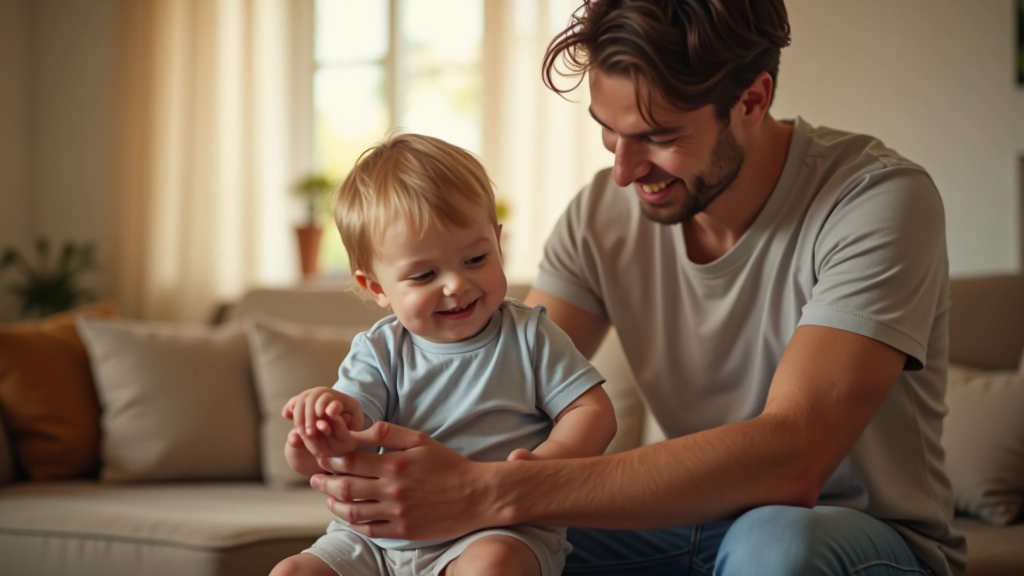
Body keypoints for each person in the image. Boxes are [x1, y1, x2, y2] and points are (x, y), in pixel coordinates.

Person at [307, 1, 968, 575]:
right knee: (467, 547)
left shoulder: (874, 200)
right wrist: (389, 470)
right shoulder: (602, 212)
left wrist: (486, 492)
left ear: (753, 99)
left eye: (657, 137)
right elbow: (508, 378)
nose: (623, 171)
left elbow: (794, 459)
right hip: (685, 522)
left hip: (846, 532)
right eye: (609, 130)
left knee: (773, 543)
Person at [269, 133, 617, 576]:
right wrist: (318, 433)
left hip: (494, 528)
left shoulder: (530, 335)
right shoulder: (378, 351)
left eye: (475, 258)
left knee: (494, 566)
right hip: (374, 538)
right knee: (291, 572)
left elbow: (594, 410)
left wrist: (540, 470)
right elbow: (324, 454)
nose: (456, 284)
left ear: (497, 239)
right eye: (425, 274)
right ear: (377, 288)